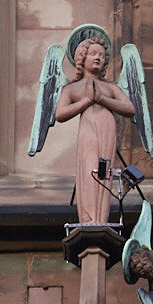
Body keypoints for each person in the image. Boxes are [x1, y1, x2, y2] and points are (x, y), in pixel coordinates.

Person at [55, 37, 136, 224]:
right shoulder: (72, 88)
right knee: (89, 168)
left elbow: (129, 108)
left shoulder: (110, 87)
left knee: (104, 171)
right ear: (82, 59)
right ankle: (89, 219)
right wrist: (87, 101)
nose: (98, 58)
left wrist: (102, 99)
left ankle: (101, 218)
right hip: (88, 131)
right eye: (93, 54)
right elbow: (60, 113)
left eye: (101, 55)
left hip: (107, 130)